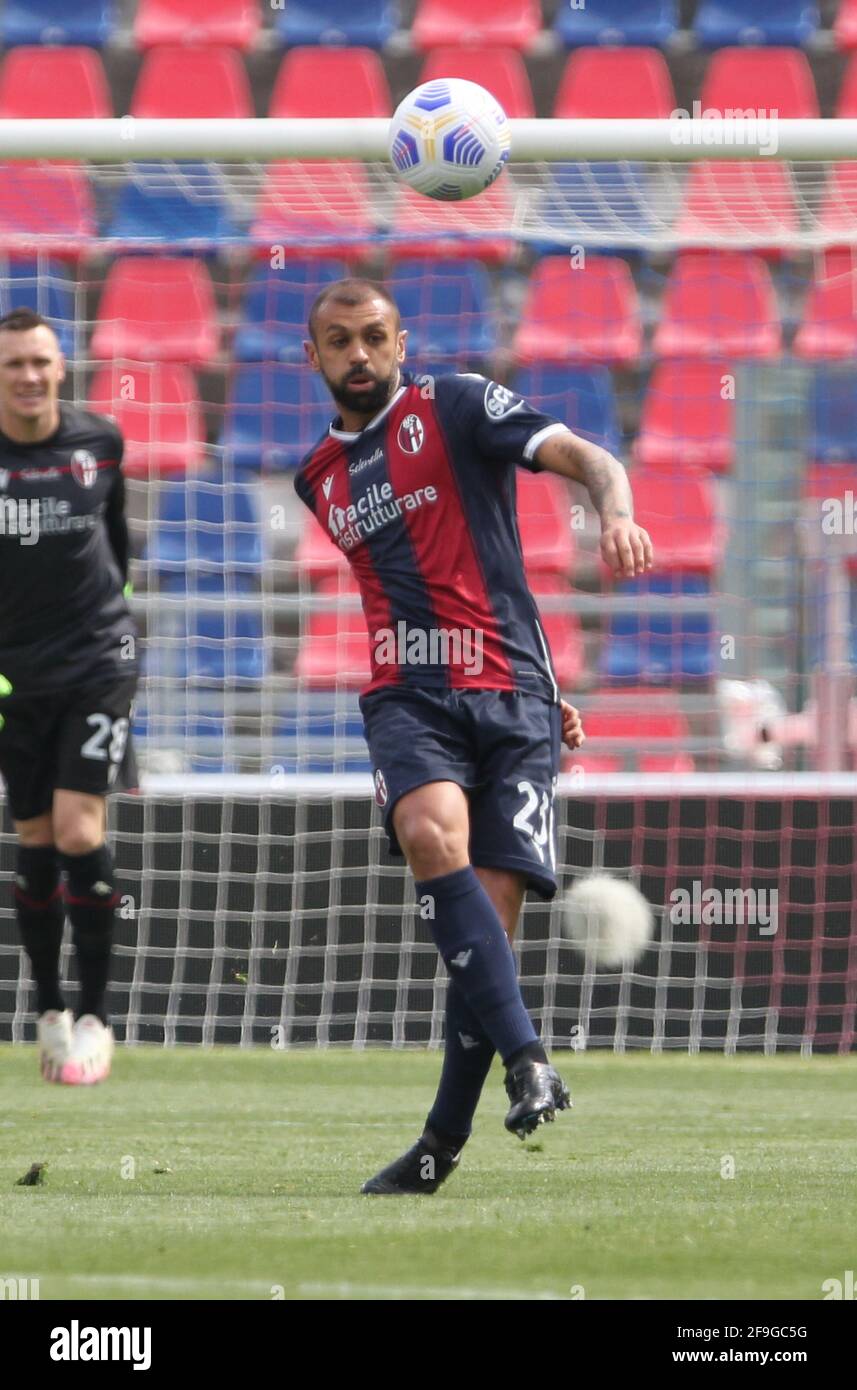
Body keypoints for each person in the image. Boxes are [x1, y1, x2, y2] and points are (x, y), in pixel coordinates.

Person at [296, 279, 653, 1194]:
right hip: (408, 696)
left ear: (399, 339)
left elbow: (586, 455)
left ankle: (436, 1148)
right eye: (339, 342)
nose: (359, 356)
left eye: (373, 337)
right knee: (428, 835)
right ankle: (529, 1059)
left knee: (485, 925)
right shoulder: (318, 481)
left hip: (514, 697)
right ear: (315, 358)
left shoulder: (455, 402)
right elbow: (410, 589)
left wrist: (613, 511)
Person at [0, 308, 138, 1084]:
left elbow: (116, 545)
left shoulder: (98, 443)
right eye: (14, 362)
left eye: (40, 362)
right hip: (14, 676)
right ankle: (49, 1007)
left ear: (61, 367)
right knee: (35, 841)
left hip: (96, 660)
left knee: (79, 830)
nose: (28, 375)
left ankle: (96, 1018)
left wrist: (111, 618)